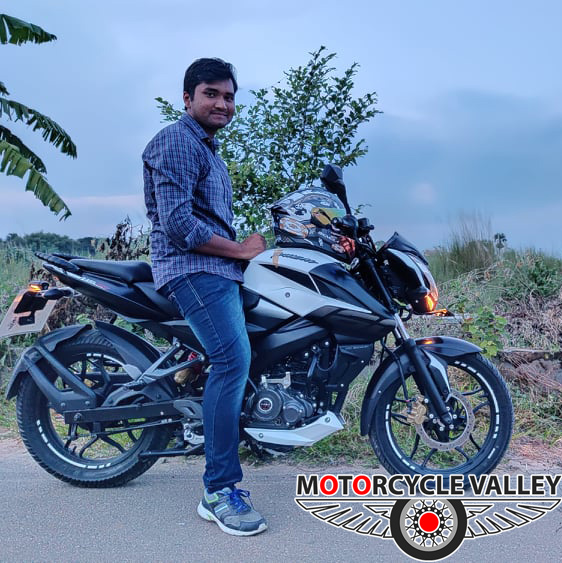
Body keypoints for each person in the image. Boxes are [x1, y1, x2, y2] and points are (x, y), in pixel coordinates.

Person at [142, 58, 267, 536]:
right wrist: (240, 250)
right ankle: (218, 491)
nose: (222, 103)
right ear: (188, 98)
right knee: (232, 361)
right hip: (192, 269)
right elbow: (179, 225)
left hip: (217, 268)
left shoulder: (206, 149)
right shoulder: (177, 140)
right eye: (211, 94)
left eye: (229, 96)